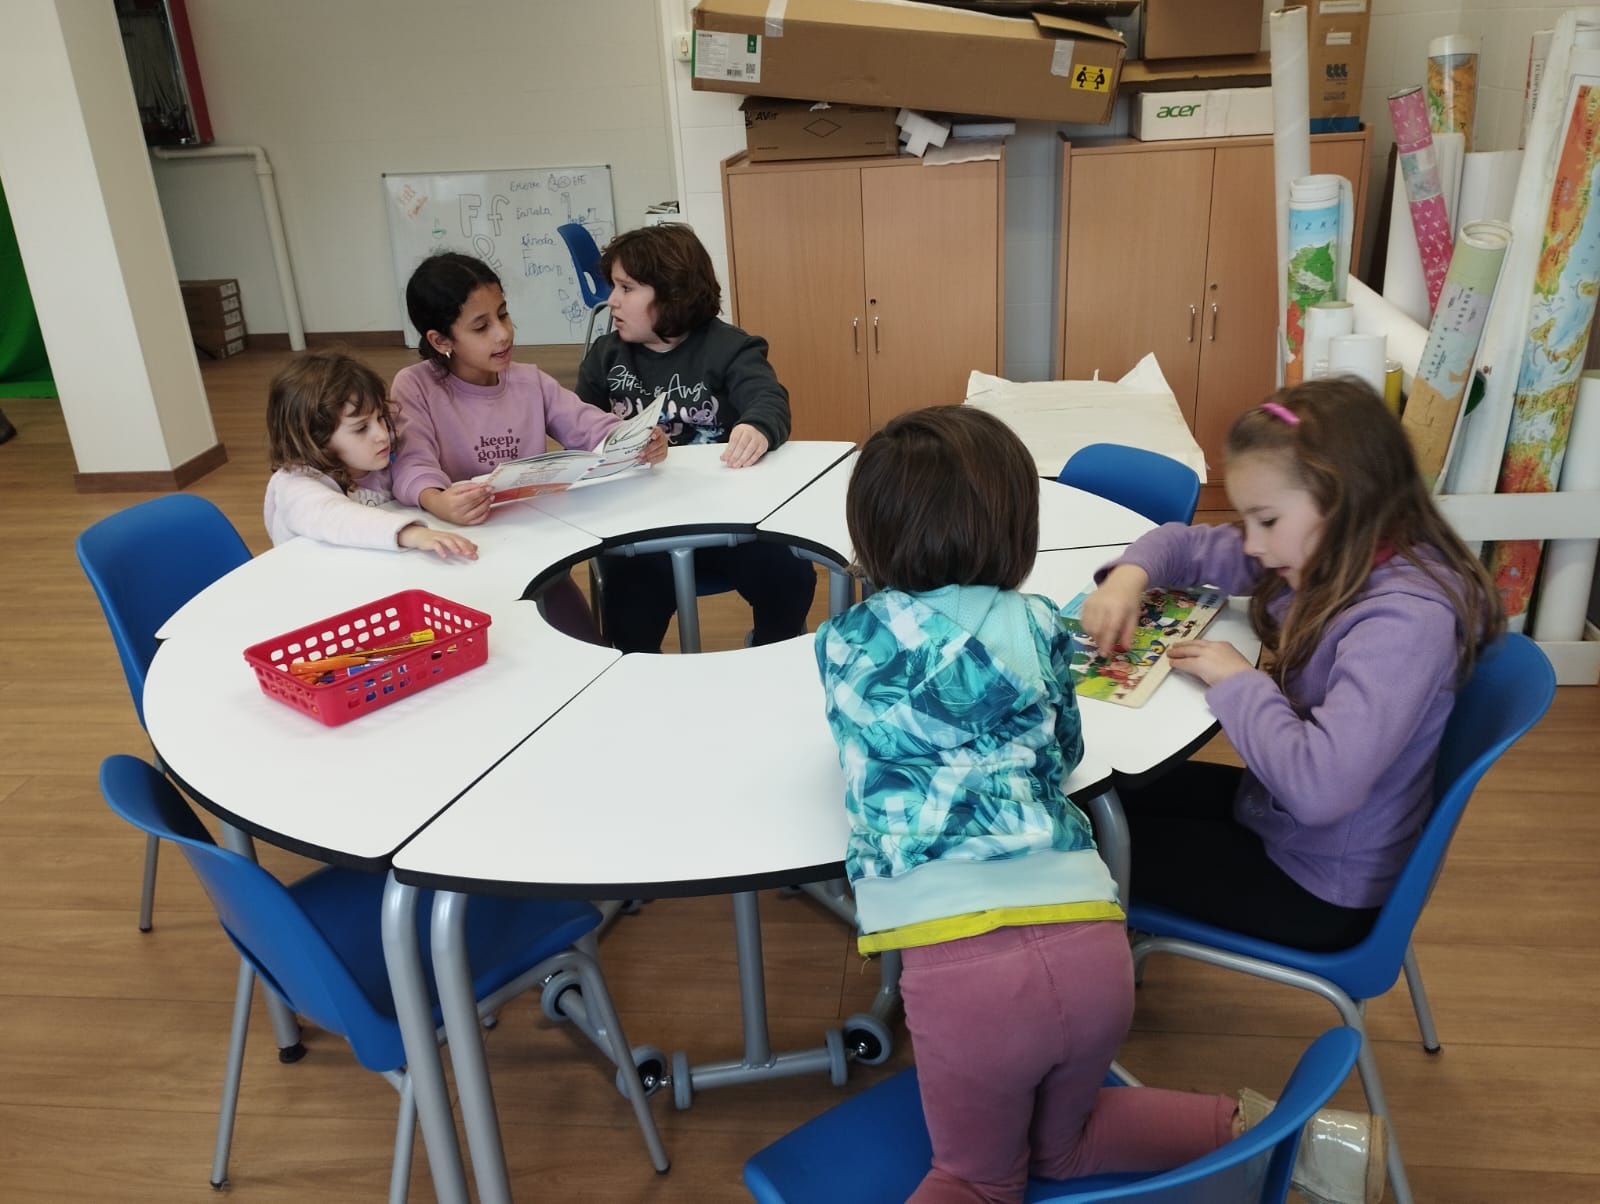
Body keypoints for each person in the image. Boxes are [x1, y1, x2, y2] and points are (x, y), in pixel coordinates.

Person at [815, 405, 1385, 1204]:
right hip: (1092, 941)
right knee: (1067, 1145)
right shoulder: (1038, 626)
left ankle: (1285, 1144)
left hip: (962, 976)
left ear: (867, 541)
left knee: (975, 1179)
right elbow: (1066, 753)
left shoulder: (842, 643)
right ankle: (1299, 1141)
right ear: (1016, 532)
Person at [1080, 378, 1505, 954]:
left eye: (1266, 520)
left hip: (1320, 886)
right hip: (1278, 817)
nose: (1253, 544)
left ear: (1343, 501)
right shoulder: (1326, 550)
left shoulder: (1405, 624)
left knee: (1075, 849)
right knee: (1089, 807)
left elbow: (1320, 789)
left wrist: (1242, 683)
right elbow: (1188, 546)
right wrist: (1128, 578)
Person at [389, 252, 667, 639]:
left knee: (588, 648)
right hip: (463, 567)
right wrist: (438, 502)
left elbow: (585, 423)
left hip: (539, 559)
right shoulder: (415, 385)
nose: (502, 333)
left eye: (503, 315)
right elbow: (410, 463)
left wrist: (636, 438)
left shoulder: (529, 381)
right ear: (440, 340)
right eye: (481, 327)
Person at [575, 222, 816, 652]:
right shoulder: (606, 357)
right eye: (614, 287)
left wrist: (757, 426)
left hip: (728, 525)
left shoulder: (730, 348)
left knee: (790, 578)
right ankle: (641, 677)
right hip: (640, 530)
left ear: (672, 293)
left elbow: (768, 398)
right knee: (629, 615)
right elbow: (577, 426)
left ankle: (768, 652)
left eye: (626, 288)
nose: (611, 301)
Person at [264, 349, 477, 560]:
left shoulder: (377, 460)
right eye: (361, 428)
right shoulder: (295, 484)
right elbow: (335, 516)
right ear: (315, 439)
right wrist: (410, 533)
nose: (382, 435)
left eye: (380, 417)